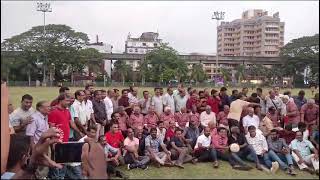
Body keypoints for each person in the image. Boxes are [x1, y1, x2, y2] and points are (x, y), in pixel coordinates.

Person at [47, 93, 73, 179]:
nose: (68, 102)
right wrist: (54, 142)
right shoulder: (54, 112)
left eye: (69, 101)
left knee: (64, 161)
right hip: (57, 141)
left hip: (66, 141)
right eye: (67, 101)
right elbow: (51, 128)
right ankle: (55, 177)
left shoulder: (67, 111)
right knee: (56, 162)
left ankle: (61, 177)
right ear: (60, 100)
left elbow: (69, 123)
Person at [25, 101, 50, 179]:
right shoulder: (34, 118)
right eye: (48, 107)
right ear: (40, 108)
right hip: (38, 147)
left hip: (45, 146)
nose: (50, 108)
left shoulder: (45, 116)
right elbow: (30, 135)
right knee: (38, 169)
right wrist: (33, 150)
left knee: (44, 167)